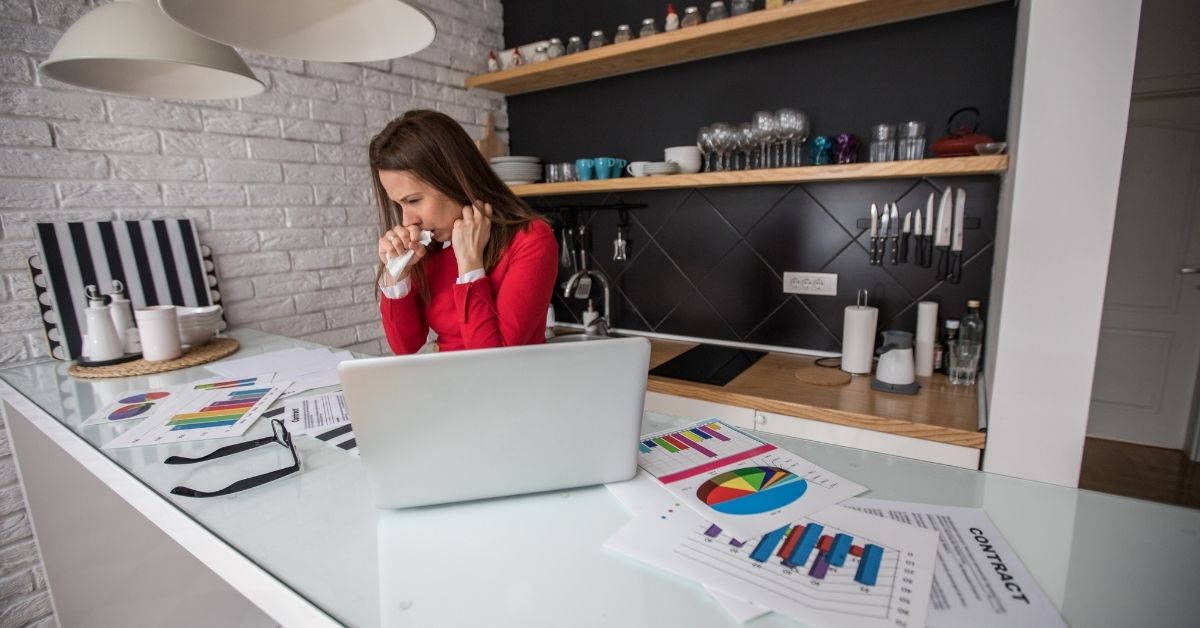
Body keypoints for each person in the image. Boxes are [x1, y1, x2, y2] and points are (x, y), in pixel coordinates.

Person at [370, 110, 558, 354]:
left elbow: (496, 361)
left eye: (414, 200)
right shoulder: (430, 248)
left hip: (511, 388)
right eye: (399, 205)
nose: (407, 221)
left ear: (453, 179)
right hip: (449, 385)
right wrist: (396, 276)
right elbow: (405, 346)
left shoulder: (531, 239)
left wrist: (470, 264)